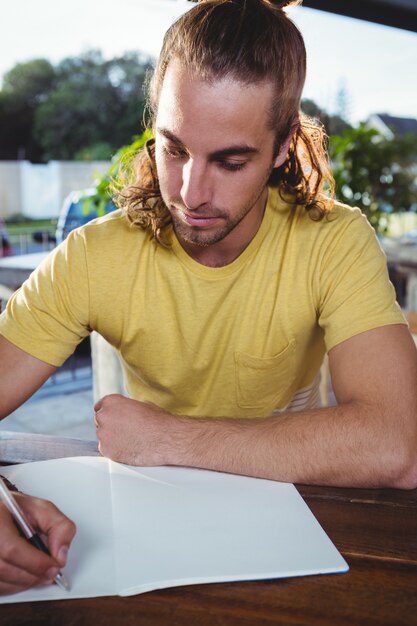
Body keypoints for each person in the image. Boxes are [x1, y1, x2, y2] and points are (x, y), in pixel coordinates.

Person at [0, 0, 416, 596]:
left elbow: (398, 445)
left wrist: (171, 438)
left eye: (231, 160)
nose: (191, 193)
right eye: (173, 148)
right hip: (141, 541)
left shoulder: (335, 240)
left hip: (297, 534)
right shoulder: (93, 255)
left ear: (280, 148)